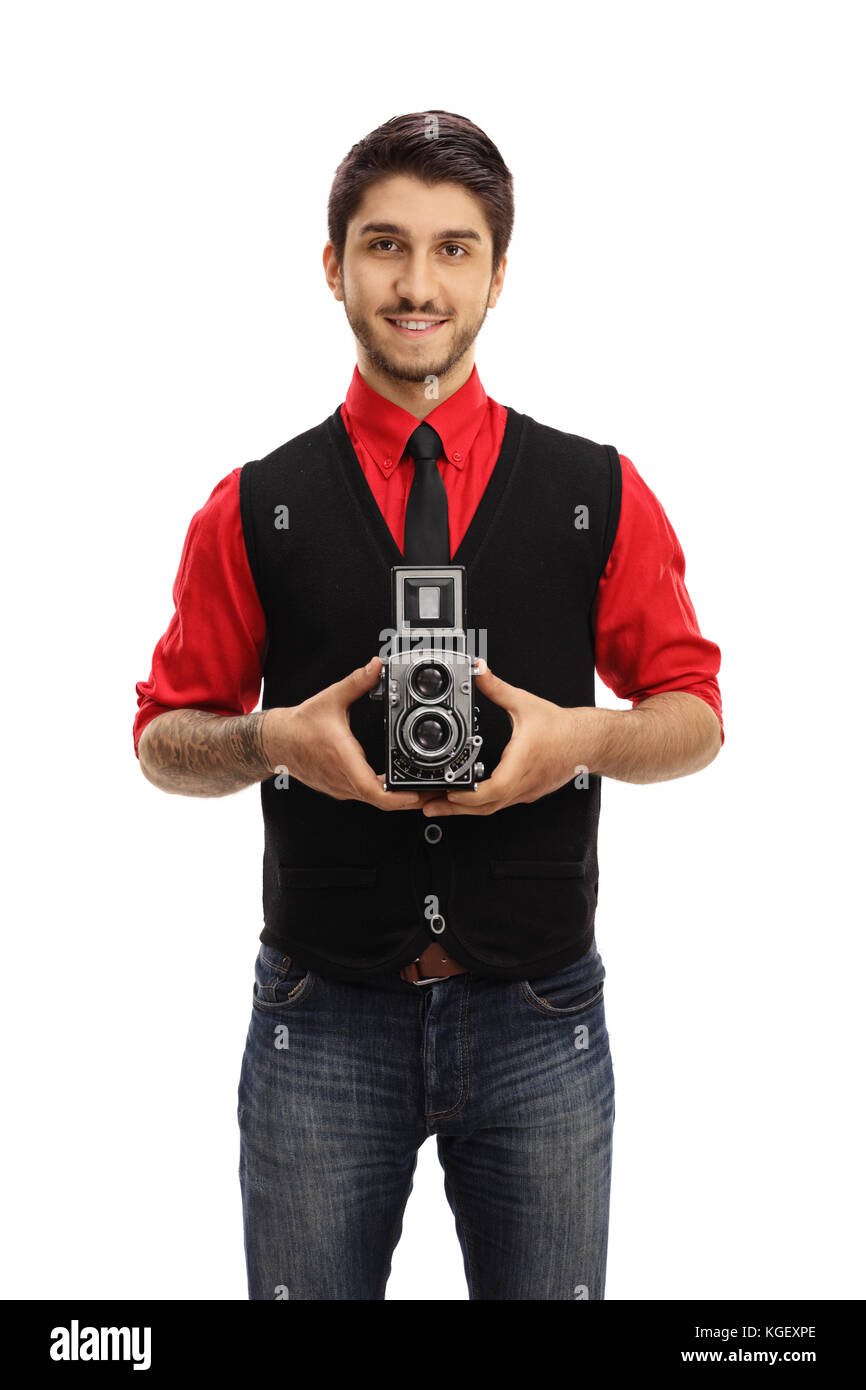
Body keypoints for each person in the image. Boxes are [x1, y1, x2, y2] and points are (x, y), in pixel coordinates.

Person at [133, 110, 724, 1301]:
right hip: (320, 1016)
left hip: (539, 1010)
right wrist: (268, 742)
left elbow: (693, 712)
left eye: (453, 249)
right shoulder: (252, 507)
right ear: (333, 266)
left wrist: (579, 742)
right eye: (384, 245)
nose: (416, 283)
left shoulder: (594, 492)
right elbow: (162, 738)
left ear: (499, 274)